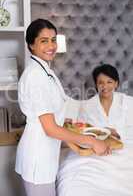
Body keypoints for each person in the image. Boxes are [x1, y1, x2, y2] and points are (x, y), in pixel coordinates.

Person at [15, 19, 110, 196]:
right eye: (44, 41)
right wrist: (92, 141)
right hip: (38, 158)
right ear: (31, 45)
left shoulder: (46, 71)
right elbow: (50, 128)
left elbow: (58, 110)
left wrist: (98, 128)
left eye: (53, 39)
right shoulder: (36, 76)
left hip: (44, 155)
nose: (51, 45)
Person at [56, 64, 133, 196]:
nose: (105, 86)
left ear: (116, 83)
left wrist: (117, 133)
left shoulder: (128, 102)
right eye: (101, 82)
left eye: (110, 82)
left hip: (124, 152)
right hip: (94, 155)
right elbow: (82, 134)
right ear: (96, 85)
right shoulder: (87, 106)